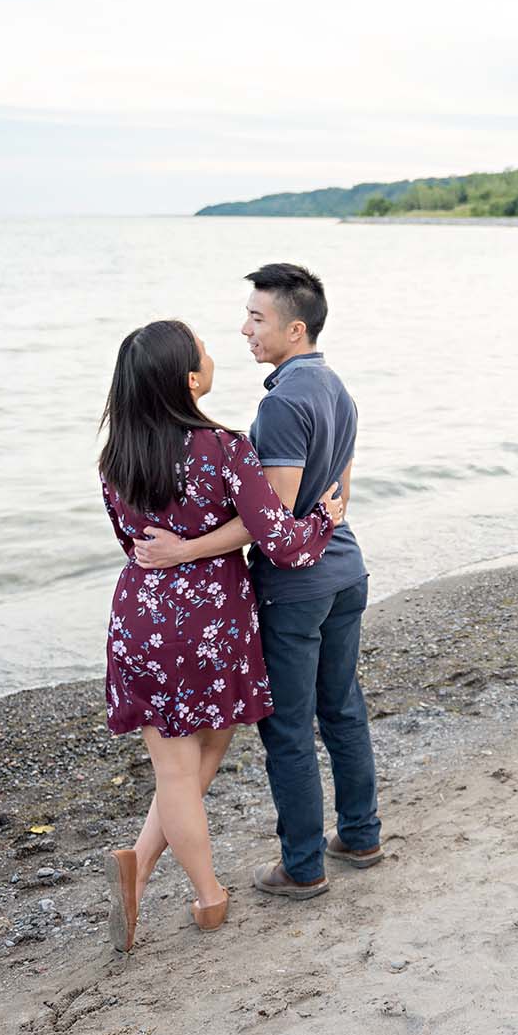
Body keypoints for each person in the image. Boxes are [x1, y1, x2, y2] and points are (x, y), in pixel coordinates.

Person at [132, 263, 378, 902]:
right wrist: (323, 518)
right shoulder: (337, 388)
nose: (244, 328)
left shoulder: (280, 403)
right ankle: (360, 833)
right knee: (344, 709)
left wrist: (183, 548)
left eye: (256, 317)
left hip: (297, 588)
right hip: (346, 571)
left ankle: (303, 867)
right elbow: (339, 492)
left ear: (294, 329)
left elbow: (267, 520)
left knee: (290, 730)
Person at [96, 319, 344, 952]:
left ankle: (140, 868)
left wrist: (174, 557)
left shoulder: (114, 458)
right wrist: (324, 516)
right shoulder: (224, 447)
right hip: (212, 626)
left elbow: (135, 546)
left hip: (142, 623)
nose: (214, 353)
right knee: (192, 764)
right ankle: (209, 899)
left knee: (182, 766)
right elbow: (280, 541)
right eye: (203, 350)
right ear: (189, 379)